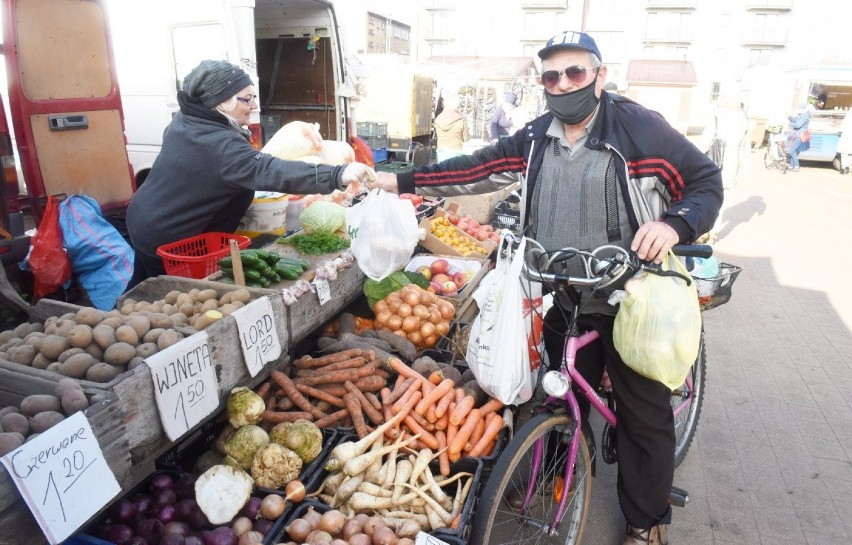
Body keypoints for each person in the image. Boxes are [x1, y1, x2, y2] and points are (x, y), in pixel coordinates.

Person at [368, 30, 723, 545]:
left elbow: (704, 181)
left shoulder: (639, 130)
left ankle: (646, 521)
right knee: (552, 390)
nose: (563, 84)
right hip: (561, 288)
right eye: (551, 76)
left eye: (575, 72)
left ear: (599, 76)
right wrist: (399, 182)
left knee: (642, 415)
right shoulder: (537, 136)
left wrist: (674, 224)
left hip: (629, 293)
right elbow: (476, 169)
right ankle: (560, 467)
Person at [125, 60, 376, 286]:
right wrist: (337, 175)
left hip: (144, 220)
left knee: (137, 289)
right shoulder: (219, 146)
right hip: (168, 240)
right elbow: (269, 170)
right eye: (247, 99)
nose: (254, 105)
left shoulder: (187, 120)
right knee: (164, 297)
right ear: (223, 102)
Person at [433, 94, 470, 161]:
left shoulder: (437, 119)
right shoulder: (461, 119)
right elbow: (466, 139)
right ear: (456, 105)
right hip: (457, 153)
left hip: (441, 152)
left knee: (443, 171)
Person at [785, 102, 811, 172]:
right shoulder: (802, 114)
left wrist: (789, 123)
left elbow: (798, 125)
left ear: (802, 109)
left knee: (792, 151)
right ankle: (791, 166)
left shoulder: (804, 116)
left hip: (799, 135)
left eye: (799, 109)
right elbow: (795, 120)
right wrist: (789, 117)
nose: (798, 110)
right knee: (794, 151)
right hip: (798, 135)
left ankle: (796, 166)